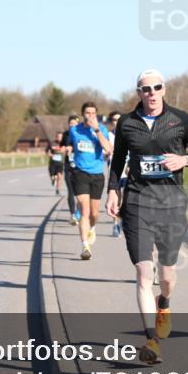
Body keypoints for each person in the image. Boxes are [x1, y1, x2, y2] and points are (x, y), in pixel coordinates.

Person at [106, 69, 188, 364]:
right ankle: (151, 341)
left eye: (156, 87)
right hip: (137, 202)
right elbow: (118, 160)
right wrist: (113, 190)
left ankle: (164, 302)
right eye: (145, 88)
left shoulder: (180, 119)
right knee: (143, 272)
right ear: (138, 93)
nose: (151, 92)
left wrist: (186, 160)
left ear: (164, 89)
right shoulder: (127, 122)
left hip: (171, 205)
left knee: (166, 276)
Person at [65, 102, 113, 259]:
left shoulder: (102, 129)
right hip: (80, 173)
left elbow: (108, 149)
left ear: (96, 114)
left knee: (94, 213)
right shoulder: (74, 130)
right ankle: (85, 246)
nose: (90, 116)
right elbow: (70, 144)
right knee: (84, 210)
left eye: (93, 113)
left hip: (97, 174)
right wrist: (68, 149)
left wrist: (96, 130)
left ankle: (92, 228)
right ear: (82, 114)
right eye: (87, 113)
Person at [105, 111, 123, 237]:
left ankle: (122, 221)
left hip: (129, 171)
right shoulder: (108, 135)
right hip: (115, 172)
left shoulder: (129, 134)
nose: (117, 122)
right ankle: (116, 224)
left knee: (126, 199)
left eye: (119, 120)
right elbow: (103, 151)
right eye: (115, 120)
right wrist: (106, 153)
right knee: (116, 199)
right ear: (111, 122)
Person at [64, 114, 80, 225]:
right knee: (70, 191)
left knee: (79, 192)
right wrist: (63, 149)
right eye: (71, 123)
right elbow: (60, 146)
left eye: (74, 123)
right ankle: (72, 214)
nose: (72, 125)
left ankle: (79, 212)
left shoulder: (82, 134)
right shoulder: (65, 134)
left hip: (80, 167)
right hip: (68, 166)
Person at [47, 131, 65, 195]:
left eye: (61, 137)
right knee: (52, 176)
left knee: (59, 176)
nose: (59, 138)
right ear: (56, 137)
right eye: (58, 137)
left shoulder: (64, 143)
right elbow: (48, 151)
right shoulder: (52, 143)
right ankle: (53, 179)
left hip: (60, 163)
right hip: (53, 163)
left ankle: (58, 189)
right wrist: (50, 154)